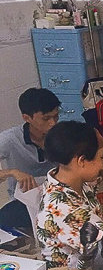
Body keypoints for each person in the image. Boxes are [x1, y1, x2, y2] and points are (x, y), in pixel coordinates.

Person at [36, 121, 103, 269]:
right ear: (81, 161)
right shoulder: (66, 210)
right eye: (101, 157)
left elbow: (100, 171)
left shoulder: (67, 175)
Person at [0, 88, 59, 233]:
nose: (53, 123)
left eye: (56, 116)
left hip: (58, 196)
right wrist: (12, 172)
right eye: (46, 118)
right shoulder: (10, 139)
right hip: (26, 200)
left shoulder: (61, 134)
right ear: (27, 118)